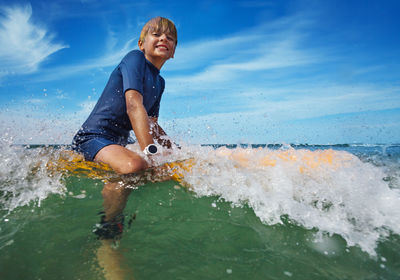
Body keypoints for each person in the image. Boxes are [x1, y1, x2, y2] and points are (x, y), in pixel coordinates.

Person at [72, 16, 178, 240]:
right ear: (141, 44)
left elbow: (151, 123)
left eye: (170, 37)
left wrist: (174, 151)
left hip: (114, 143)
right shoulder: (135, 59)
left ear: (174, 51)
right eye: (156, 34)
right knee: (134, 164)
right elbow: (133, 105)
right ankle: (109, 226)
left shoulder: (160, 82)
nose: (163, 39)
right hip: (93, 136)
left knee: (162, 168)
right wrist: (151, 151)